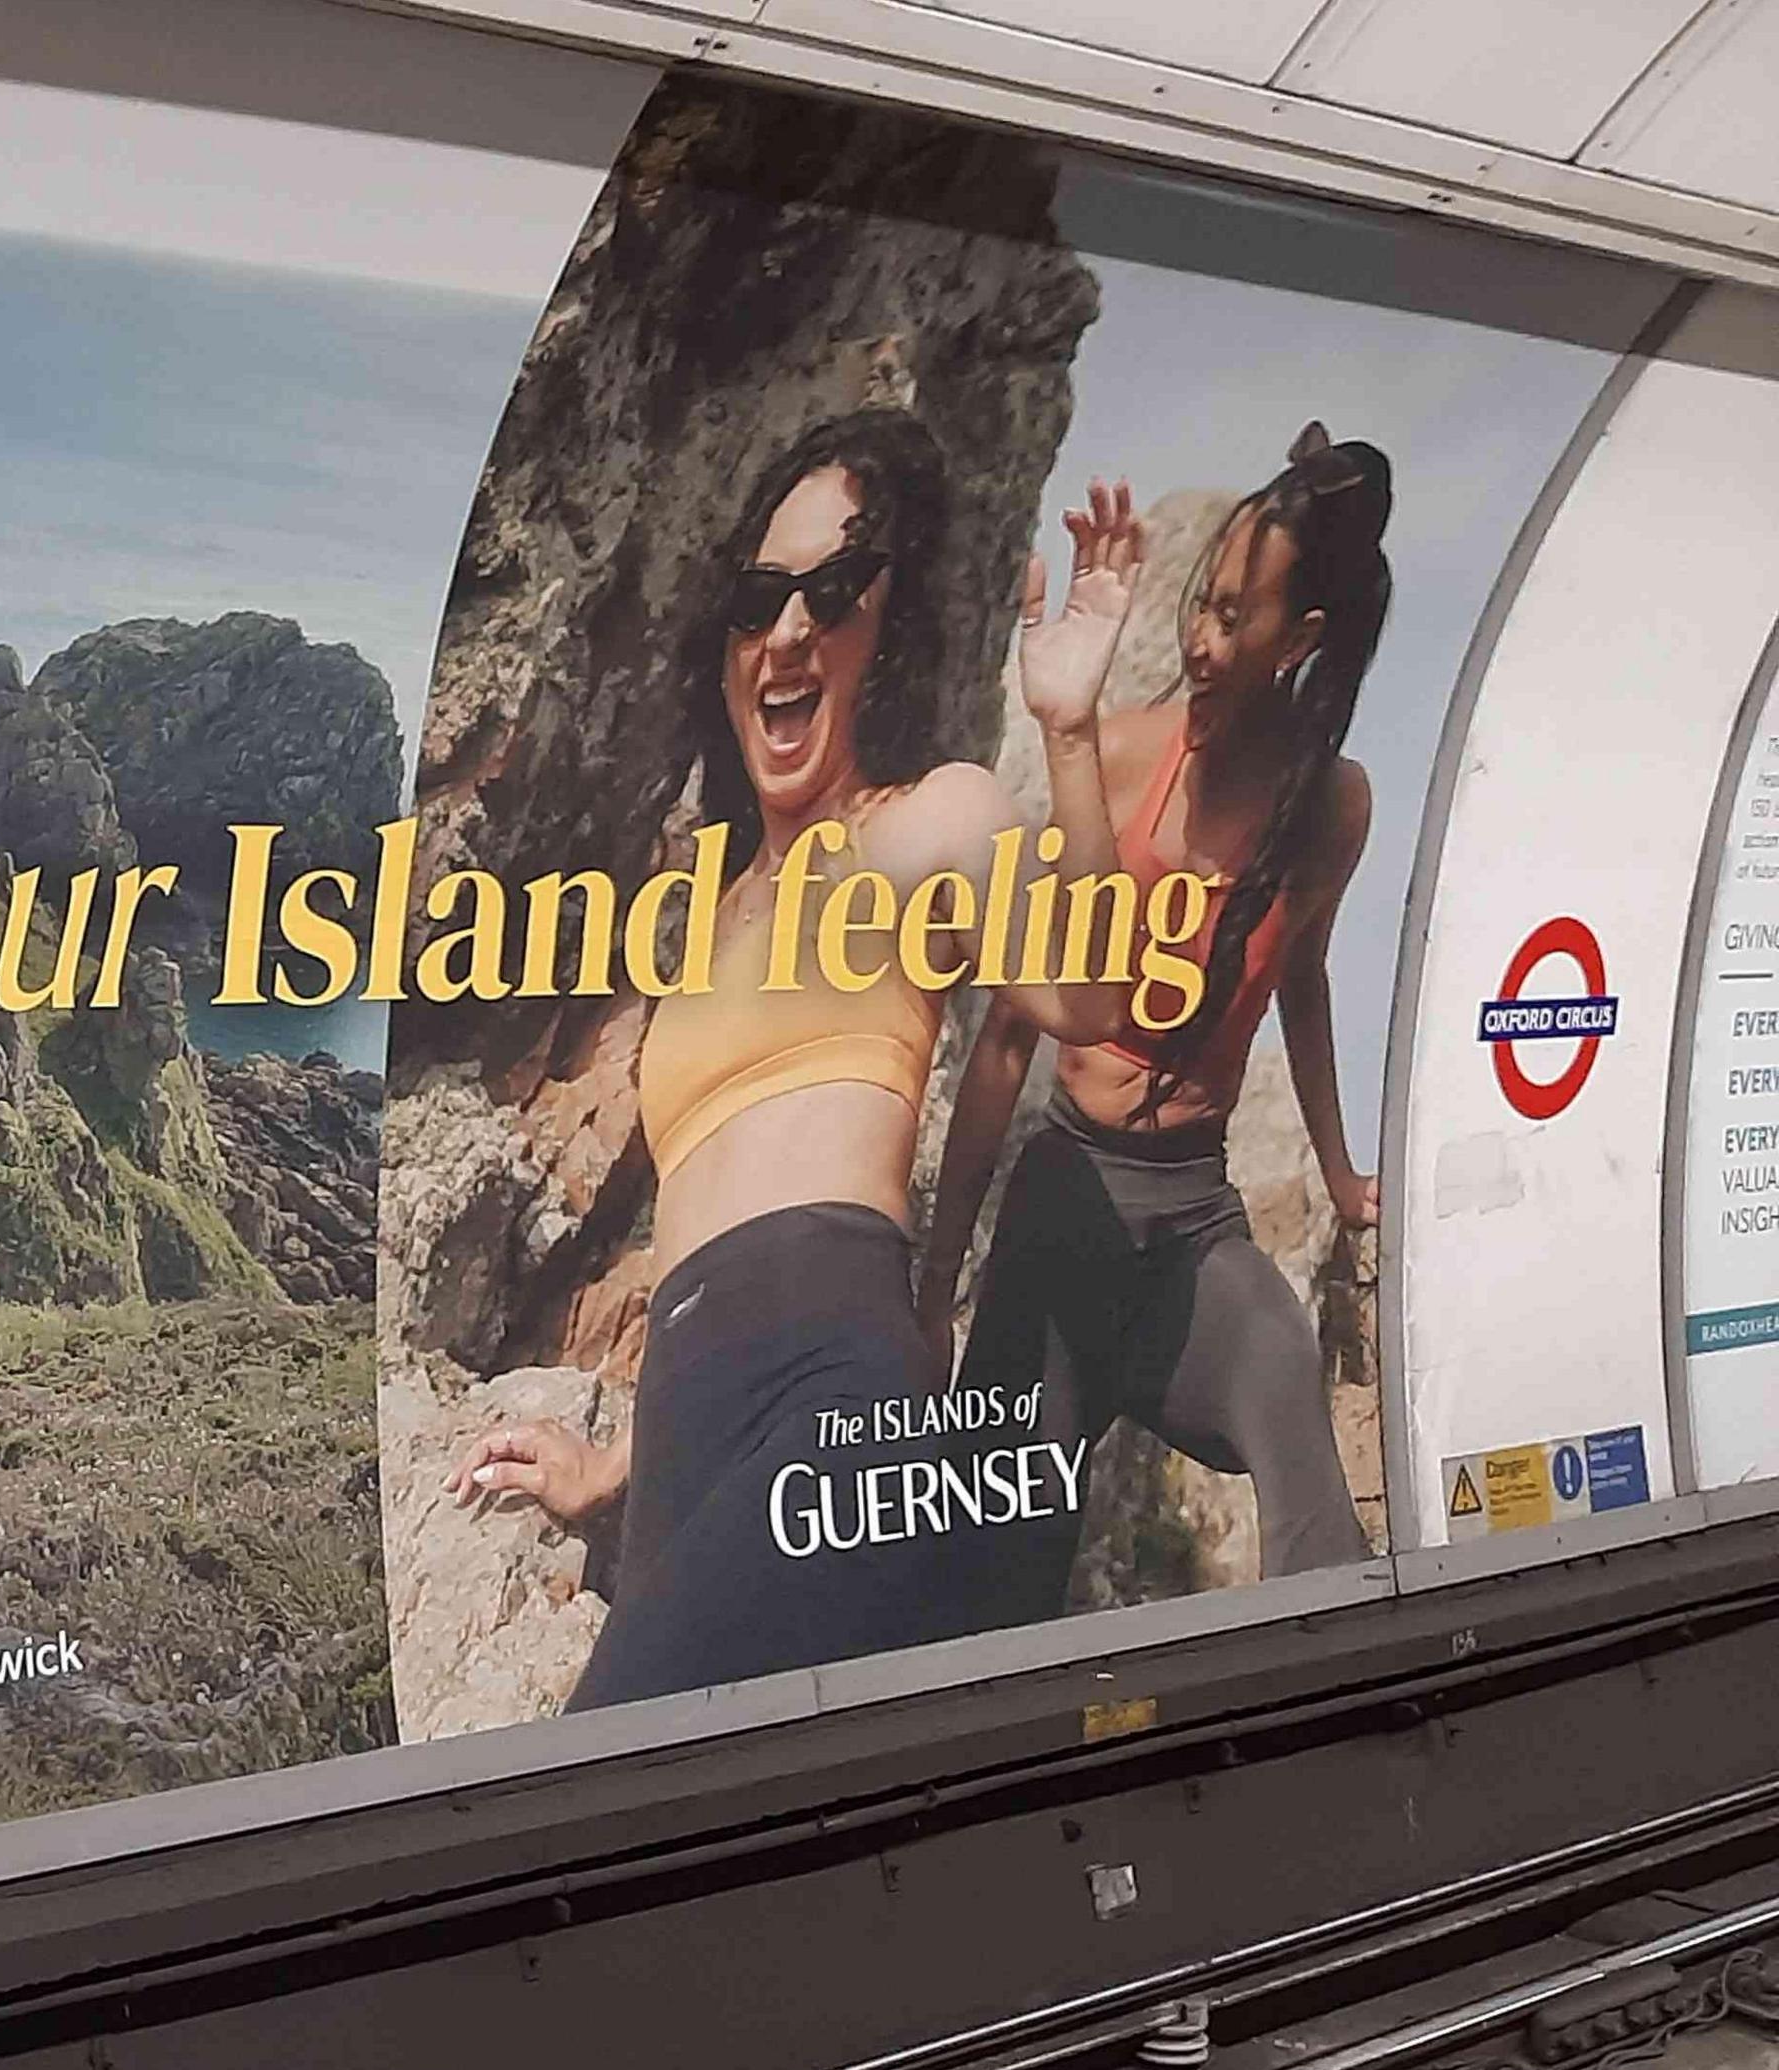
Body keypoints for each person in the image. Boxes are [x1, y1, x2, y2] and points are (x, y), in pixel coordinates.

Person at [445, 407, 1151, 1709]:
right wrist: (615, 1473)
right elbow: (695, 1221)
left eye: (832, 592)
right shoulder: (701, 912)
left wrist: (1067, 728)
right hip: (689, 1437)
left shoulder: (926, 823)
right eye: (759, 596)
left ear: (886, 632)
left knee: (604, 1792)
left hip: (836, 1391)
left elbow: (1095, 994)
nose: (786, 631)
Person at [916, 425, 1392, 1590]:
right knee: (995, 1568)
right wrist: (938, 1280)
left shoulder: (1330, 808)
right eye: (1201, 604)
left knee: (1293, 1413)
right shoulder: (1121, 763)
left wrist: (1339, 1175)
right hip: (1065, 1212)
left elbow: (1305, 979)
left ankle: (1332, 1731)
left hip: (1196, 1222)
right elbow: (1010, 1033)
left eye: (1236, 616)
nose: (1201, 638)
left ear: (1305, 639)